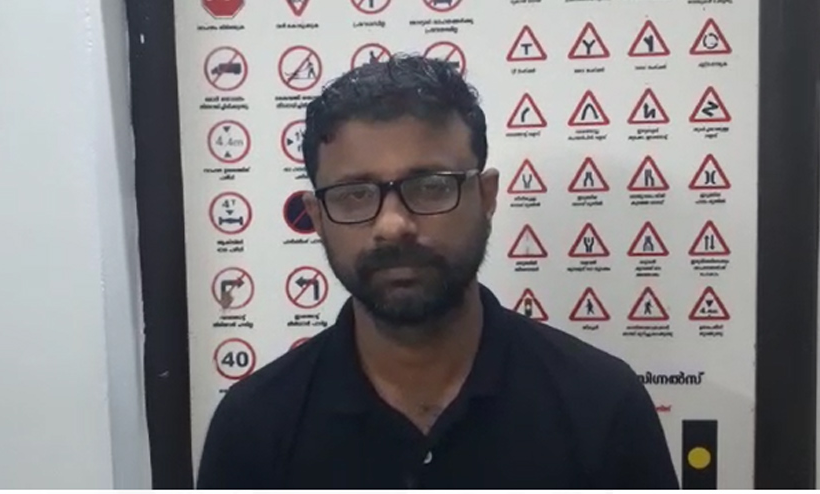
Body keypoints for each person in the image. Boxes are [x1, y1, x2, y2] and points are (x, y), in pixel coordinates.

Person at [196, 55, 679, 489]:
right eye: (354, 194)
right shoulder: (254, 426)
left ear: (486, 197)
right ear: (318, 217)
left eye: (430, 186)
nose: (393, 225)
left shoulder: (602, 406)